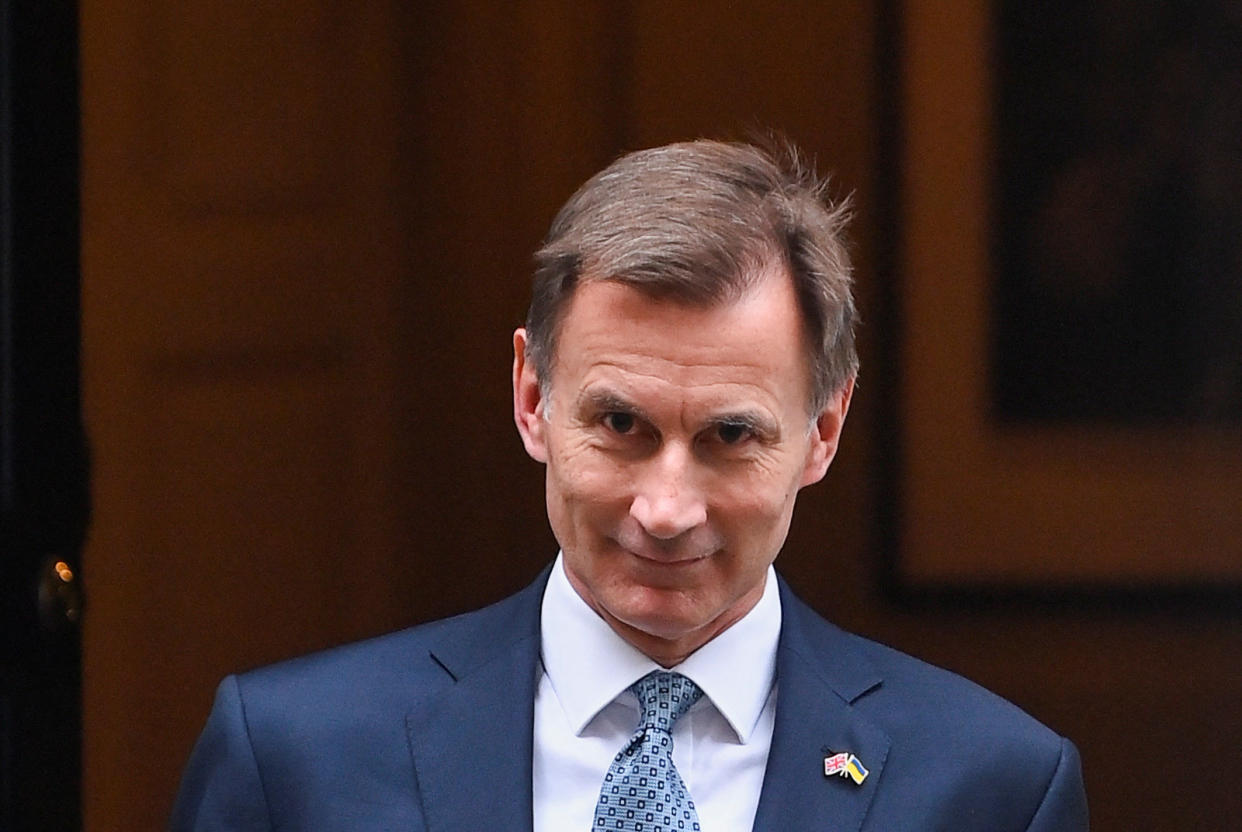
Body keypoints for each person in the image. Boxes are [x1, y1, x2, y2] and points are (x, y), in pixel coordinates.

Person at [170, 140, 1088, 830]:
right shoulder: (295, 760)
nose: (665, 509)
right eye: (620, 426)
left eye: (730, 436)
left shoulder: (992, 789)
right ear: (532, 397)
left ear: (825, 431)